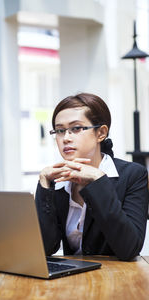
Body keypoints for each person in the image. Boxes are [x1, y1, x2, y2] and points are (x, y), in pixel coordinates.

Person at [35, 92, 148, 261]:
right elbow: (46, 247)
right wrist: (44, 185)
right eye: (59, 130)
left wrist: (98, 181)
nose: (66, 138)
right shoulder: (58, 181)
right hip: (72, 280)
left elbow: (129, 248)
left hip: (118, 279)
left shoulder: (133, 175)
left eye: (76, 128)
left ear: (101, 133)